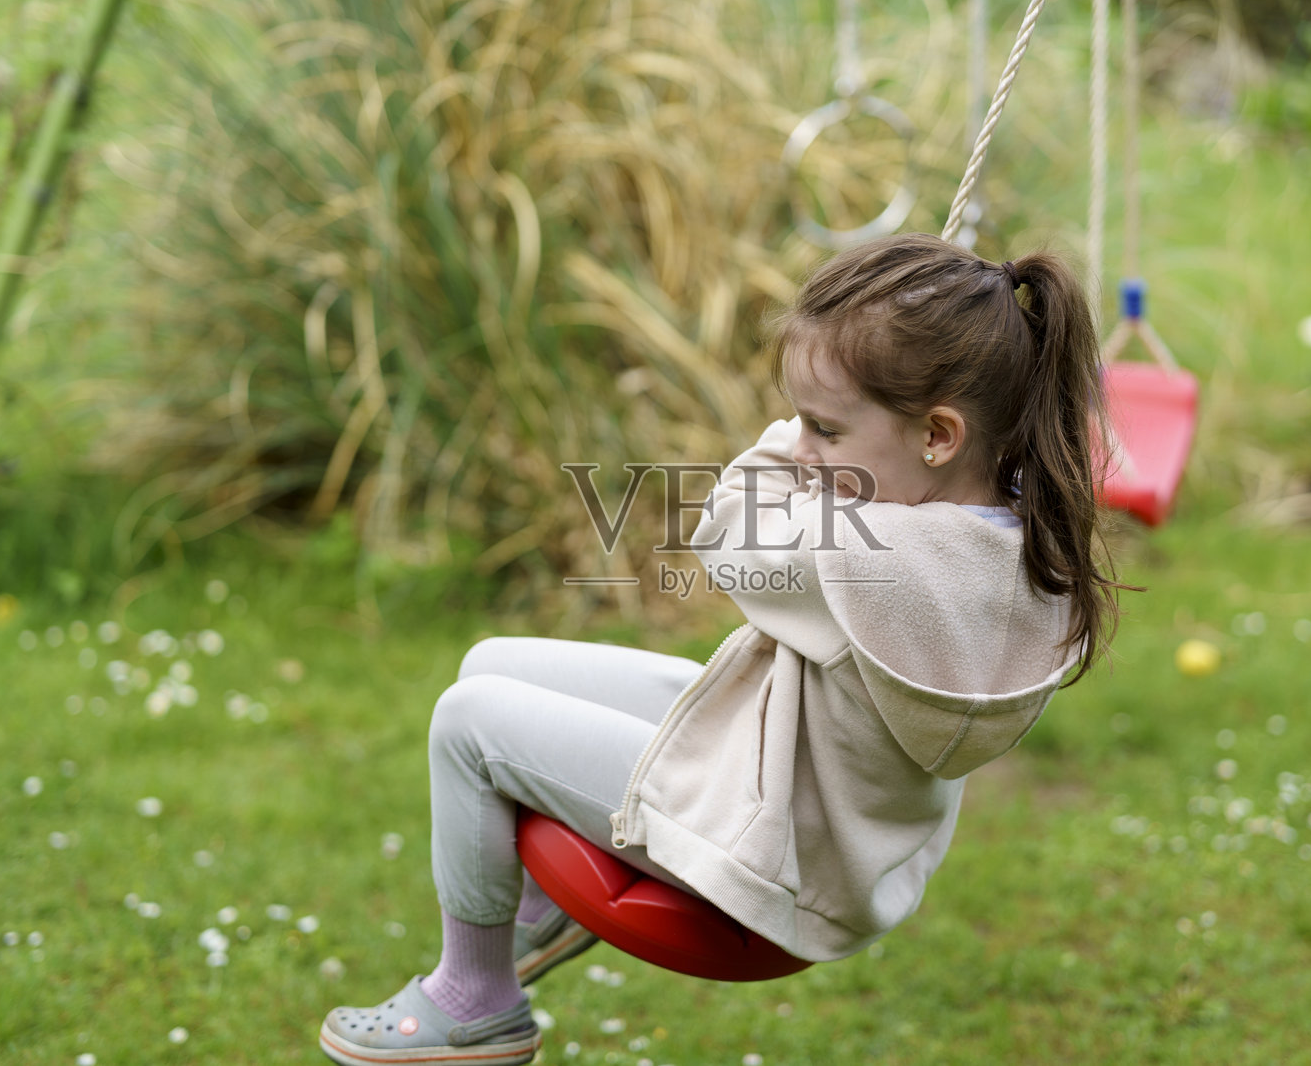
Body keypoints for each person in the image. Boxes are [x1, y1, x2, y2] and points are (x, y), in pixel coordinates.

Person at [318, 232, 1127, 1065]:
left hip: (777, 843)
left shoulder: (870, 555)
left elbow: (724, 522)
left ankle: (478, 998)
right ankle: (537, 912)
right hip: (821, 796)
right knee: (492, 662)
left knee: (468, 718)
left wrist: (798, 432)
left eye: (823, 426)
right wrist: (863, 394)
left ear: (939, 435)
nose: (806, 445)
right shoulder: (1010, 527)